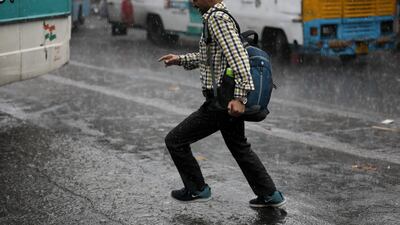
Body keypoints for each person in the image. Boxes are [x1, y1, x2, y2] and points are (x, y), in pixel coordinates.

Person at [158, 0, 286, 208]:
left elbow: (239, 59)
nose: (193, 2)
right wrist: (180, 60)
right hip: (223, 100)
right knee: (239, 147)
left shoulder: (217, 19)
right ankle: (270, 195)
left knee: (175, 140)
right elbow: (210, 56)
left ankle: (197, 189)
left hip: (222, 102)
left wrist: (240, 98)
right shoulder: (216, 17)